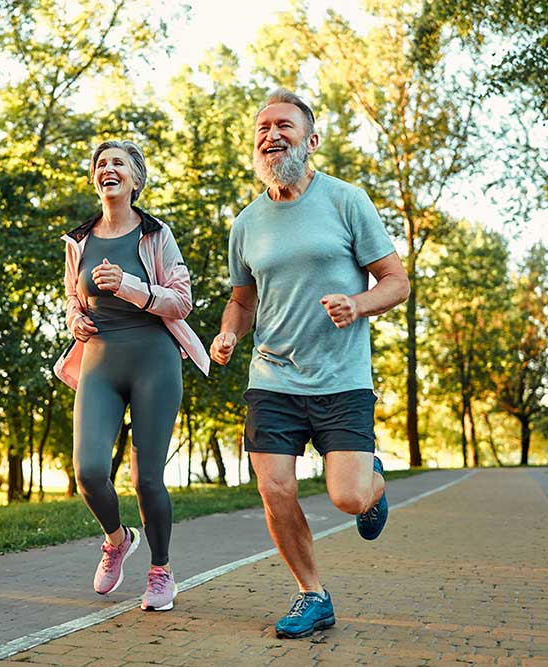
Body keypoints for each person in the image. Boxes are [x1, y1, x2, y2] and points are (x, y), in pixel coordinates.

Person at [210, 89, 410, 638]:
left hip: (341, 378)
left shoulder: (347, 201)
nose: (271, 135)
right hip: (272, 375)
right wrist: (228, 333)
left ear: (311, 140)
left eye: (284, 126)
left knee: (347, 497)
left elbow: (397, 282)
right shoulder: (246, 222)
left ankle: (373, 484)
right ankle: (312, 593)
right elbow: (243, 300)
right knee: (275, 489)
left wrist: (358, 303)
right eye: (262, 128)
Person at [54, 139, 210, 612]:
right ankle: (118, 539)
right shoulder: (78, 242)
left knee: (147, 480)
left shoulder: (157, 235)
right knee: (89, 473)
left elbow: (181, 301)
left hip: (154, 361)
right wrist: (74, 320)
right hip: (100, 361)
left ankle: (161, 570)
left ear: (135, 180)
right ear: (94, 179)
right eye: (101, 164)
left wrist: (130, 287)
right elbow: (71, 301)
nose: (108, 169)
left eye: (118, 163)